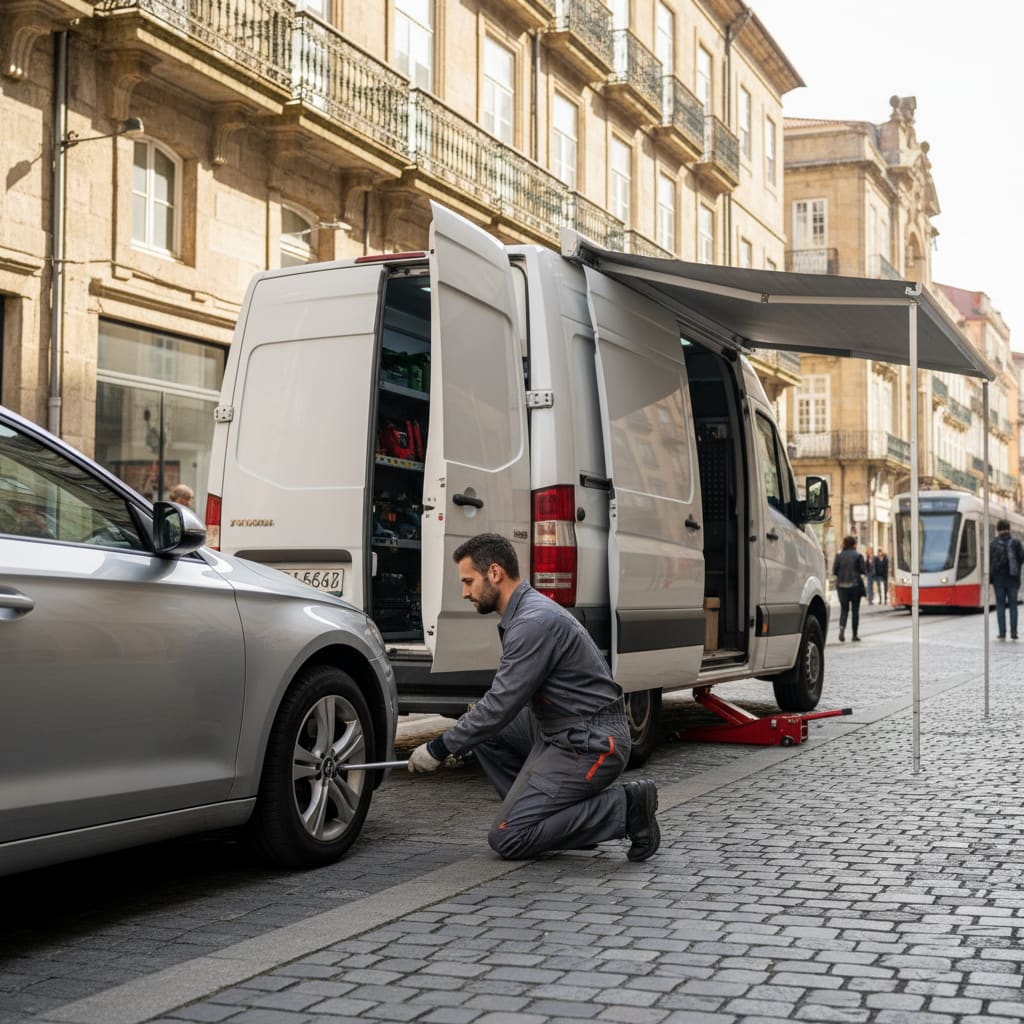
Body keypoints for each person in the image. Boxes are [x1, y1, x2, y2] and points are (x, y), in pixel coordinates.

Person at [408, 532, 660, 862]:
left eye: (469, 581)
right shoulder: (528, 612)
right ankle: (554, 818)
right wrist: (463, 739)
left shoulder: (533, 622)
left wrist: (440, 747)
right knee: (482, 729)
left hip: (593, 742)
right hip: (564, 730)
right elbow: (494, 712)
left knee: (508, 837)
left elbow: (500, 705)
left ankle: (627, 809)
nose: (465, 591)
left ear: (494, 573)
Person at [990, 519, 1024, 641]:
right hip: (1012, 578)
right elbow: (1021, 559)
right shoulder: (1015, 542)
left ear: (998, 529)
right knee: (1013, 606)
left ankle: (1002, 633)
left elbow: (990, 561)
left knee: (1000, 606)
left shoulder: (993, 543)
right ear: (1009, 529)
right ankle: (1014, 633)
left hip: (998, 579)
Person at [832, 534, 866, 642]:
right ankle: (854, 635)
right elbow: (863, 570)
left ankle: (842, 628)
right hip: (855, 585)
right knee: (855, 611)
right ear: (854, 544)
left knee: (844, 609)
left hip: (842, 586)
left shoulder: (839, 556)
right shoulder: (858, 556)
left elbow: (834, 571)